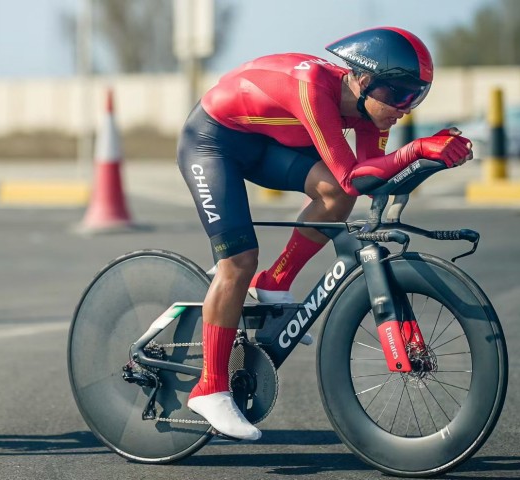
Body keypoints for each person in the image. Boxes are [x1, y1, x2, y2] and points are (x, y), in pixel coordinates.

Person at [176, 26, 473, 441]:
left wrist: (430, 161)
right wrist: (418, 149)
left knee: (335, 194)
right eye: (399, 95)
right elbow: (355, 176)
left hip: (262, 142)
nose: (404, 109)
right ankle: (209, 387)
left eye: (415, 97)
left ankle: (274, 283)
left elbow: (372, 178)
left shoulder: (370, 110)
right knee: (238, 262)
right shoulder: (314, 89)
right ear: (363, 80)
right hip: (212, 142)